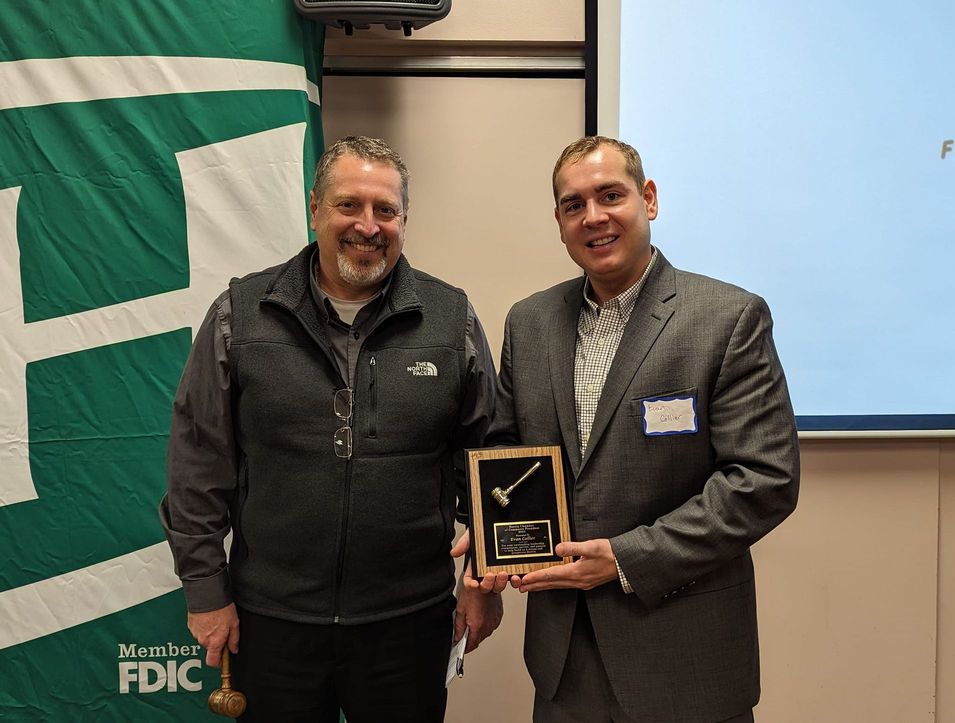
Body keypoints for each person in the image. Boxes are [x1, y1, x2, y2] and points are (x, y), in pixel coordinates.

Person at [160, 136, 502, 723]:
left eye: (385, 210)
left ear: (403, 219)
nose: (367, 226)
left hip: (408, 621)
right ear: (314, 207)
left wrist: (483, 578)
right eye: (349, 205)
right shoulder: (239, 315)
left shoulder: (452, 320)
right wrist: (204, 589)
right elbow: (198, 465)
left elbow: (489, 457)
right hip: (272, 624)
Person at [465, 136, 800, 722]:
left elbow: (763, 481)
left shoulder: (727, 318)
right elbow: (507, 449)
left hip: (684, 657)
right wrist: (491, 529)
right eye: (574, 205)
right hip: (563, 662)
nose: (593, 217)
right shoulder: (531, 322)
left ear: (648, 198)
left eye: (610, 195)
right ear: (559, 221)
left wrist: (624, 558)